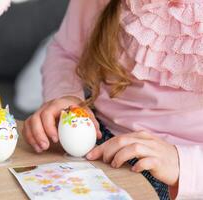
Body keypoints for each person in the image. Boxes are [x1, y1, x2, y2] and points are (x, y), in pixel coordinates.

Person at [22, 0, 203, 199]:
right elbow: (67, 52)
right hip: (101, 141)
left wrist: (183, 165)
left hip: (182, 173)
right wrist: (65, 96)